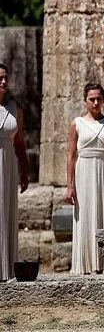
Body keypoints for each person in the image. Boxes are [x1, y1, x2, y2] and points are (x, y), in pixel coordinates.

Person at [66, 83, 104, 274]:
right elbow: (71, 156)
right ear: (85, 101)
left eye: (99, 98)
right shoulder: (77, 124)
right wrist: (69, 185)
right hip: (84, 172)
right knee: (86, 214)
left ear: (103, 99)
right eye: (92, 99)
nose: (96, 102)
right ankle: (86, 263)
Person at [0, 63, 30, 281]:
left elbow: (19, 142)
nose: (3, 82)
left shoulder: (14, 109)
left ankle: (6, 267)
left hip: (8, 163)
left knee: (6, 210)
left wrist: (25, 170)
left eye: (5, 78)